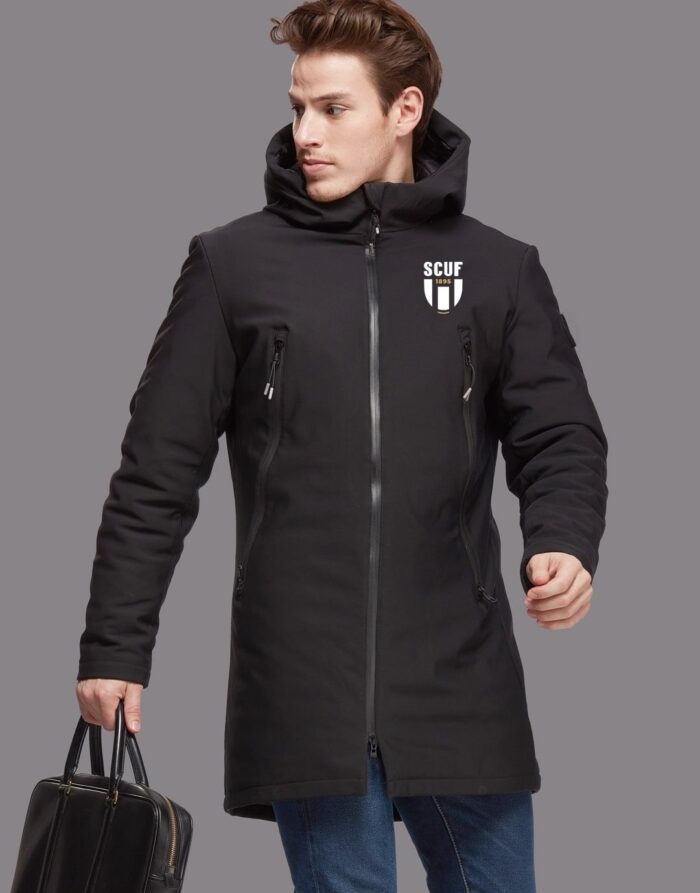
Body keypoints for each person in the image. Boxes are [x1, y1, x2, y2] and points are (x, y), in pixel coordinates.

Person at [75, 1, 608, 890]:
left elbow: (560, 431)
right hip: (303, 682)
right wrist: (114, 646)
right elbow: (155, 472)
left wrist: (563, 538)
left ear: (406, 111)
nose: (305, 134)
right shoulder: (233, 266)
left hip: (461, 675)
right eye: (298, 108)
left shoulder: (498, 267)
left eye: (332, 108)